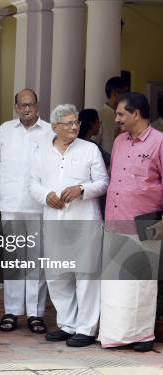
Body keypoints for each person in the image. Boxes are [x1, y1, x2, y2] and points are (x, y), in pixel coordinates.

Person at [30, 104, 109, 347]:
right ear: (55, 127)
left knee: (86, 275)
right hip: (54, 222)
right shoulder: (41, 151)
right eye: (68, 123)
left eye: (76, 122)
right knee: (57, 275)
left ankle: (86, 328)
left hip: (85, 222)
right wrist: (46, 196)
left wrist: (82, 189)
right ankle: (67, 324)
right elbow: (33, 184)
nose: (74, 126)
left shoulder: (90, 149)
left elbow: (103, 182)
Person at [0, 88, 53, 334]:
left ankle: (35, 314)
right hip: (10, 204)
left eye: (30, 104)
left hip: (37, 206)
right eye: (22, 105)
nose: (26, 109)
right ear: (15, 107)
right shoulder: (5, 130)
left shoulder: (49, 131)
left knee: (36, 260)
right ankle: (11, 311)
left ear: (37, 105)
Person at [100, 92, 163, 352]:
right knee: (115, 283)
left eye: (121, 114)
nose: (116, 119)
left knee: (141, 283)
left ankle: (142, 336)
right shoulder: (119, 142)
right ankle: (115, 333)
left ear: (136, 114)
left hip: (145, 221)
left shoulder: (159, 142)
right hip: (115, 218)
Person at [92, 76, 129, 154]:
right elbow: (93, 145)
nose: (127, 97)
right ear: (114, 93)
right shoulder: (99, 115)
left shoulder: (128, 115)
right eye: (124, 93)